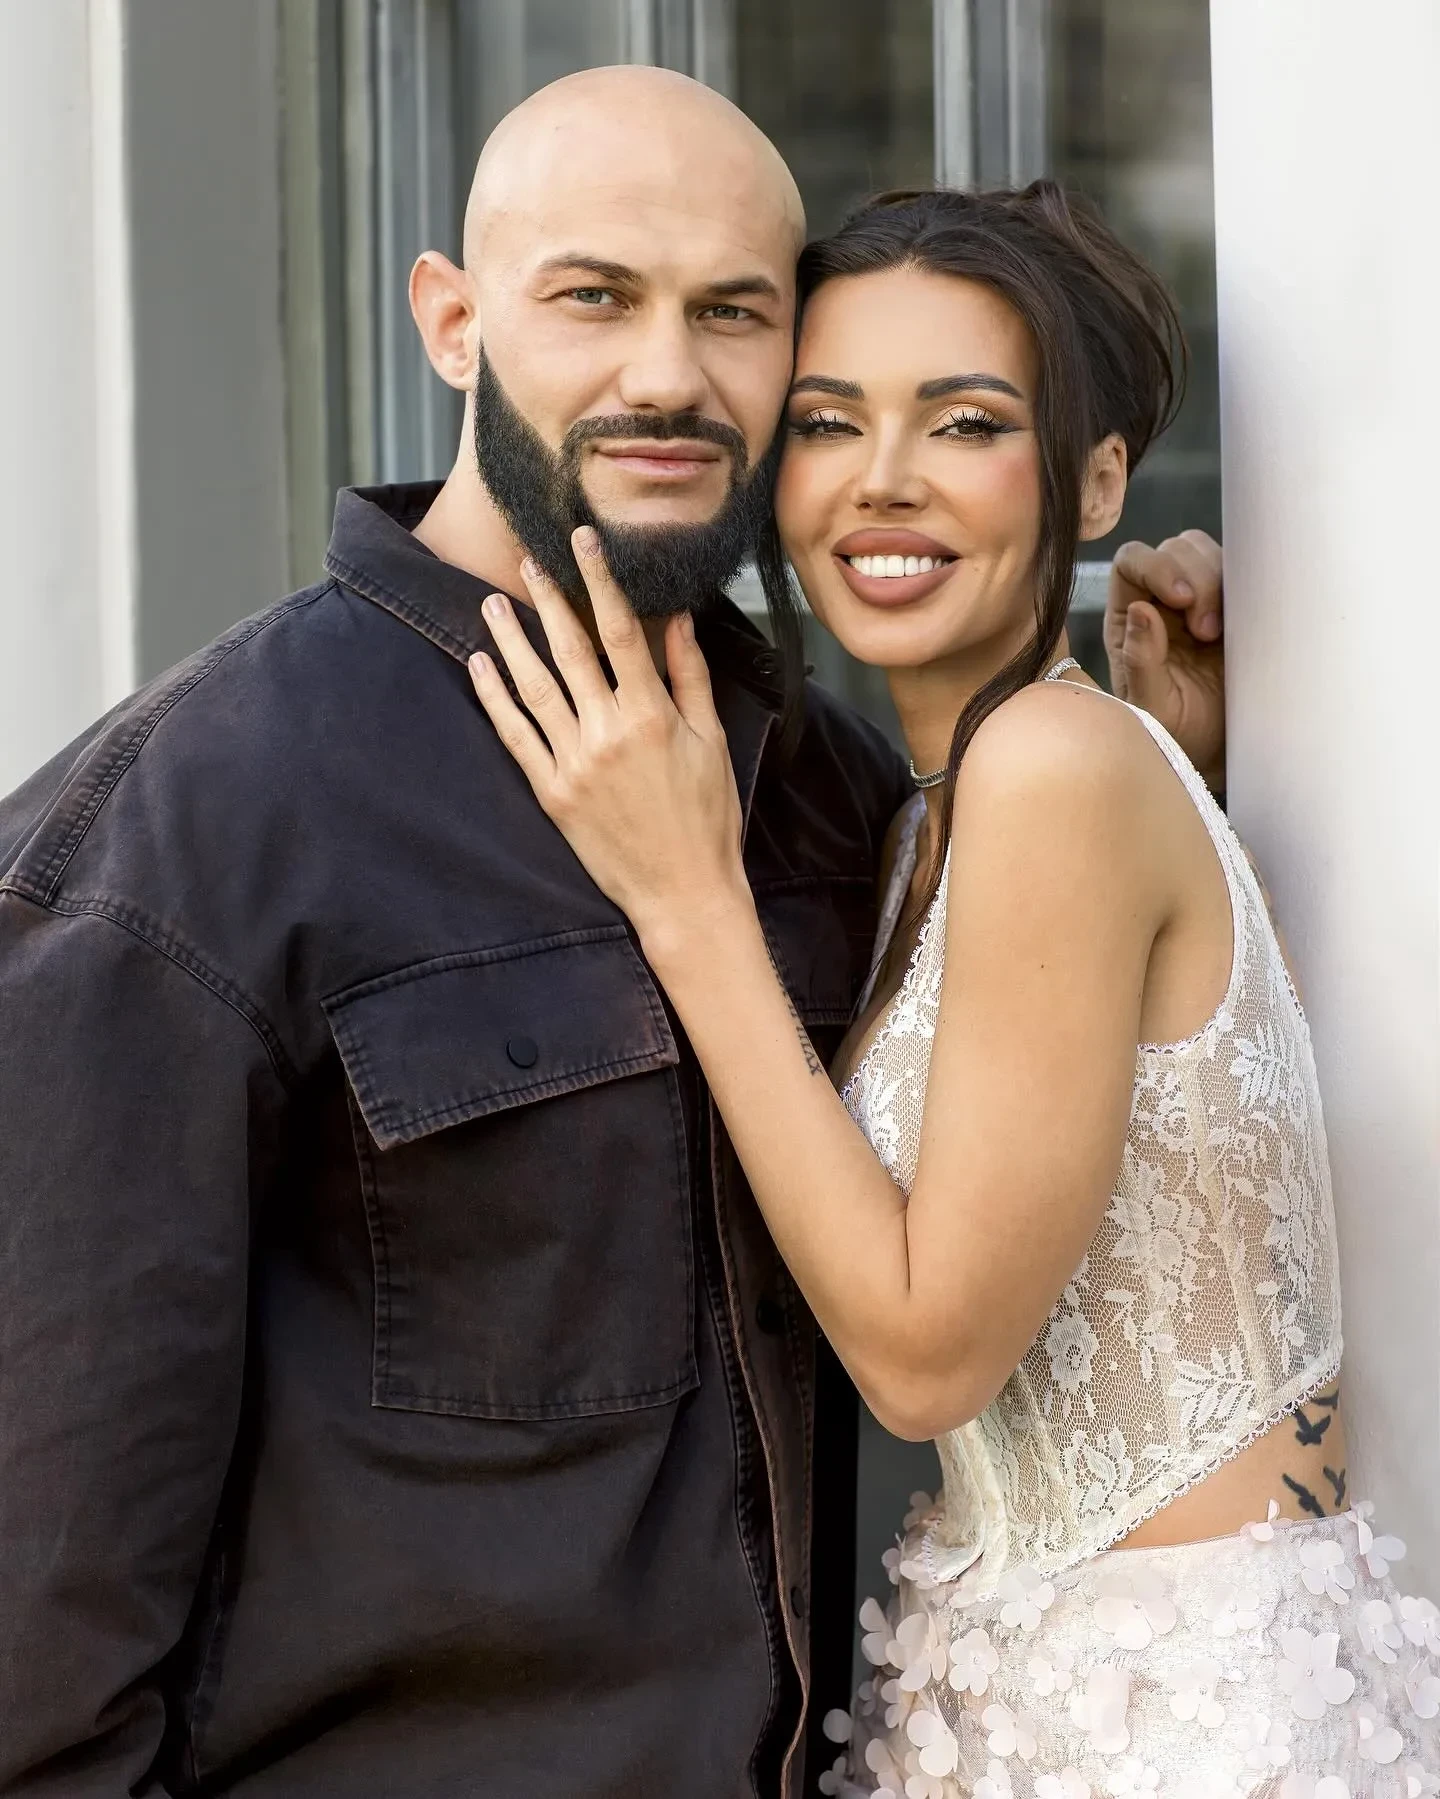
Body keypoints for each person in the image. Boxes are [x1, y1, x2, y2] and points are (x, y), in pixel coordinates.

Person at [0, 69, 1225, 1799]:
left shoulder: (831, 789)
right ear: (452, 321)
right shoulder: (188, 832)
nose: (668, 375)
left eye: (732, 311)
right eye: (594, 295)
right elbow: (37, 1634)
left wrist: (1188, 763)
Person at [471, 182, 1437, 1795]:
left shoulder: (1055, 765)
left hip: (1180, 1733)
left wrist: (687, 895)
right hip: (1060, 1696)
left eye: (967, 421)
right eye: (828, 423)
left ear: (1098, 477)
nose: (883, 480)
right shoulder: (959, 803)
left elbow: (927, 1359)